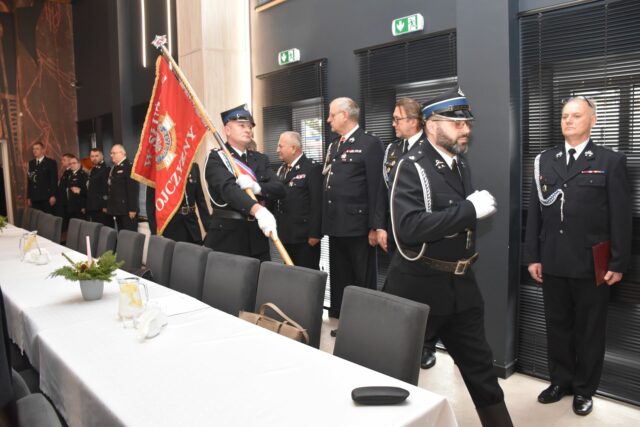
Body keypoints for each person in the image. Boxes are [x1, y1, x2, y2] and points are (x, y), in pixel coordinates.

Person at [385, 87, 512, 426]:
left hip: (461, 287)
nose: (465, 130)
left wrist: (466, 211)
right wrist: (468, 210)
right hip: (418, 287)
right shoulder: (412, 165)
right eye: (456, 124)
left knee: (482, 372)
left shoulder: (459, 163)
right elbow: (408, 228)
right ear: (431, 125)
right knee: (394, 375)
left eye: (467, 123)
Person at [524, 96, 631, 416]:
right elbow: (536, 214)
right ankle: (560, 381)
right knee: (557, 326)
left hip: (591, 264)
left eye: (576, 115)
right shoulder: (546, 159)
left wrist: (618, 262)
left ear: (592, 120)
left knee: (590, 330)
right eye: (564, 116)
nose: (568, 121)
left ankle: (584, 389)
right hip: (553, 260)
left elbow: (620, 217)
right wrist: (533, 256)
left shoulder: (610, 161)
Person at [372, 97, 437, 369]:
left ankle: (426, 345)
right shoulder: (392, 150)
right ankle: (400, 339)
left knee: (425, 291)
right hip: (395, 233)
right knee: (400, 288)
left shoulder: (432, 148)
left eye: (397, 119)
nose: (393, 124)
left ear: (414, 121)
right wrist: (380, 226)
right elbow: (383, 191)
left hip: (422, 235)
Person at [322, 97, 384, 330]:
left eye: (332, 114)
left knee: (362, 278)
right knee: (341, 278)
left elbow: (376, 187)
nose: (328, 119)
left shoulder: (369, 143)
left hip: (359, 227)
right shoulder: (334, 145)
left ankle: (365, 326)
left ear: (345, 115)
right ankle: (346, 324)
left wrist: (375, 226)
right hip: (337, 224)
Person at [203, 104, 285, 261]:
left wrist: (258, 187)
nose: (248, 130)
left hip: (257, 237)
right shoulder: (216, 158)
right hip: (228, 238)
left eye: (250, 127)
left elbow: (279, 189)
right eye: (242, 125)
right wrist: (258, 210)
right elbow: (229, 190)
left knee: (260, 276)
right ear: (227, 130)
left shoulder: (260, 159)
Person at [273, 131, 323, 269]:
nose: (277, 150)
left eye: (280, 146)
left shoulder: (312, 168)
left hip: (305, 237)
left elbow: (317, 203)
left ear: (293, 148)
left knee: (307, 275)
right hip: (286, 234)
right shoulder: (282, 169)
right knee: (289, 274)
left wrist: (315, 234)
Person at [147, 163, 211, 244]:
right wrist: (155, 232)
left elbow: (200, 200)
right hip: (171, 228)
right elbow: (150, 204)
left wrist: (209, 229)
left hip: (192, 227)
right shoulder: (160, 168)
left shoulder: (193, 166)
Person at [107, 144, 139, 232]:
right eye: (111, 153)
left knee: (130, 235)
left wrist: (132, 209)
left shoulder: (129, 166)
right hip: (118, 209)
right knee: (121, 235)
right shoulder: (115, 168)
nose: (111, 155)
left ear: (122, 153)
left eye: (114, 153)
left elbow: (133, 189)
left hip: (127, 210)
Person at [26, 141, 57, 214]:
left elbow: (53, 180)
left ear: (43, 150)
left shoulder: (50, 162)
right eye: (33, 149)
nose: (34, 151)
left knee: (47, 218)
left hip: (46, 197)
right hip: (34, 197)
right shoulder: (31, 163)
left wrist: (53, 195)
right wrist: (29, 197)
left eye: (37, 149)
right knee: (36, 218)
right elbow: (30, 180)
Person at [86, 148, 113, 227]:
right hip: (93, 206)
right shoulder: (93, 169)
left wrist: (105, 205)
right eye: (92, 156)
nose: (94, 158)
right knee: (96, 230)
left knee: (105, 230)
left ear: (102, 156)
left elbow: (106, 188)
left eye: (96, 156)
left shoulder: (106, 169)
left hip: (101, 207)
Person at [65, 155, 88, 221]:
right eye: (70, 164)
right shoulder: (70, 175)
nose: (72, 165)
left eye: (74, 163)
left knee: (81, 224)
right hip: (71, 204)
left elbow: (85, 191)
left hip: (79, 205)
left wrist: (83, 206)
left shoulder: (82, 174)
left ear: (79, 164)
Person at [54, 153, 74, 228]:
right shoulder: (66, 171)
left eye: (64, 160)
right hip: (61, 200)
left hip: (66, 201)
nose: (62, 161)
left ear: (70, 161)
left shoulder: (71, 172)